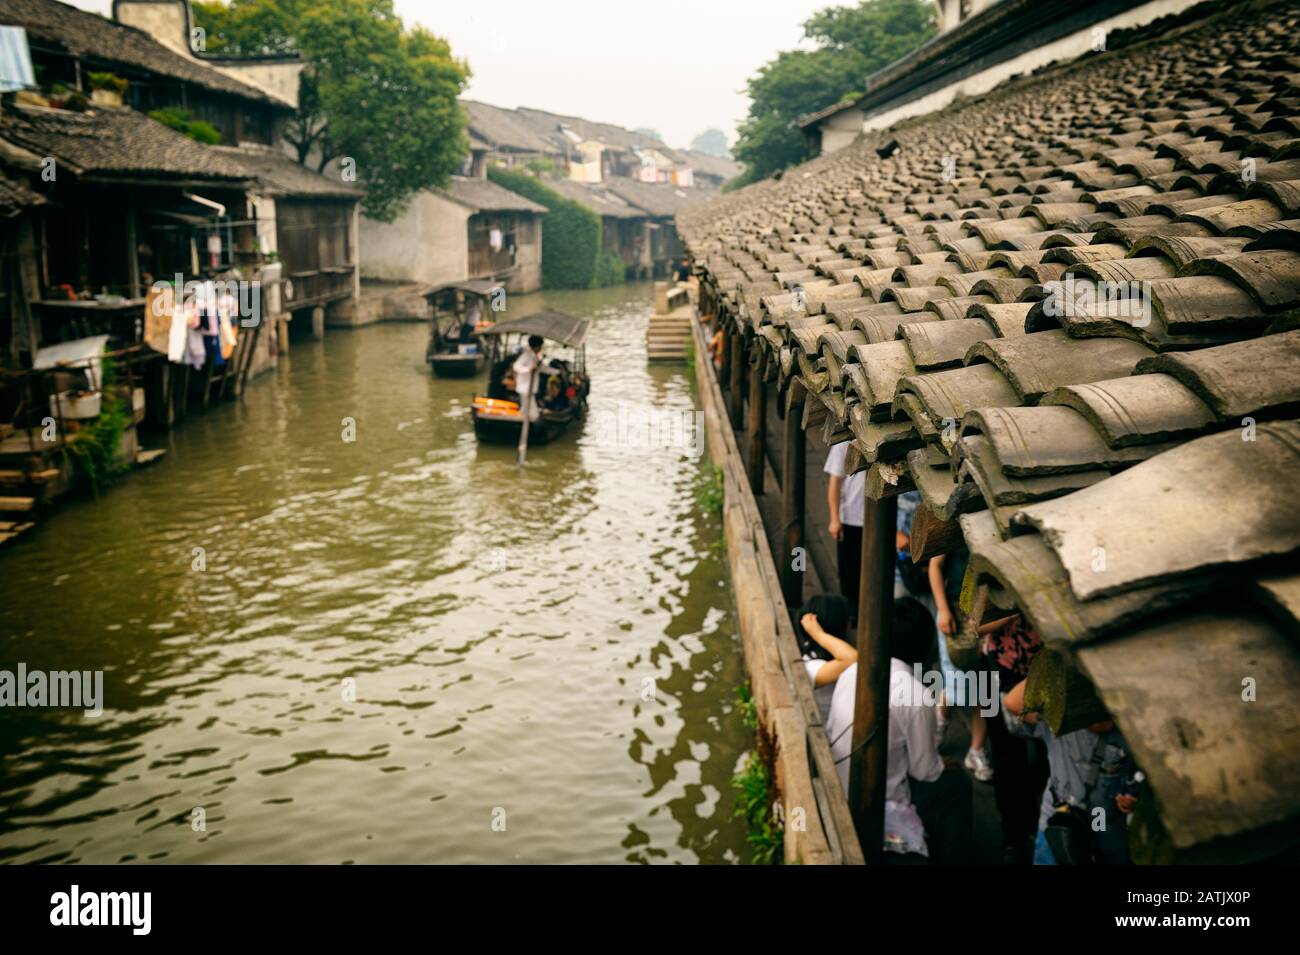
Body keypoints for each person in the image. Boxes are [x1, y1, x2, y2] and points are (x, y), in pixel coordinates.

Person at [825, 597, 973, 863]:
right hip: (880, 801)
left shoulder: (852, 671)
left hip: (837, 781)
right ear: (924, 648)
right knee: (957, 787)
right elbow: (924, 770)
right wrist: (944, 764)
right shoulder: (917, 696)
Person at [1004, 678, 1138, 865]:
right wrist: (1054, 660)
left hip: (1106, 828)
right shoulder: (1059, 723)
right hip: (1059, 823)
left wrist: (1133, 800)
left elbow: (1144, 782)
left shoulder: (1132, 731)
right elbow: (1012, 702)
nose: (1106, 720)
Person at [929, 550, 992, 782]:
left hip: (986, 616)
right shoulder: (953, 525)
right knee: (956, 681)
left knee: (983, 689)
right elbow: (935, 566)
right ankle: (941, 720)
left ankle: (976, 749)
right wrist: (944, 609)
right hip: (955, 613)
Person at [795, 594, 855, 722]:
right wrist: (818, 634)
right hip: (824, 739)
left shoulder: (826, 659)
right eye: (848, 620)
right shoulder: (812, 666)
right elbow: (852, 660)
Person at [824, 441, 865, 609]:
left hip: (876, 518)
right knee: (849, 570)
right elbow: (835, 482)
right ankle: (851, 611)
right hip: (851, 517)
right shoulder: (844, 443)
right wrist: (835, 519)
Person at [512, 334, 544, 422]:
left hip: (529, 389)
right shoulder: (527, 355)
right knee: (534, 414)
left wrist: (558, 372)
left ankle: (521, 424)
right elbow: (516, 366)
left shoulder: (535, 356)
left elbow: (542, 368)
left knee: (524, 410)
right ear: (537, 346)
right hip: (526, 389)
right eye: (540, 346)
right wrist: (528, 369)